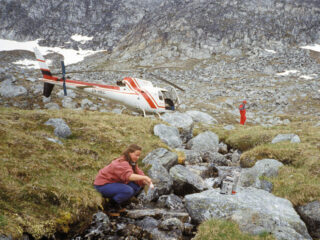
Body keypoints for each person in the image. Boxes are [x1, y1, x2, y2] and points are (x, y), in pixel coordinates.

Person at [94, 144, 153, 216]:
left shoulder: (131, 162)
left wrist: (145, 181)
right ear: (129, 153)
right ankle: (110, 207)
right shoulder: (121, 163)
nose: (138, 158)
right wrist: (145, 178)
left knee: (136, 186)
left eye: (139, 156)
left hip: (113, 183)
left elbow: (138, 172)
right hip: (102, 185)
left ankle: (119, 203)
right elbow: (129, 176)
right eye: (136, 155)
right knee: (128, 190)